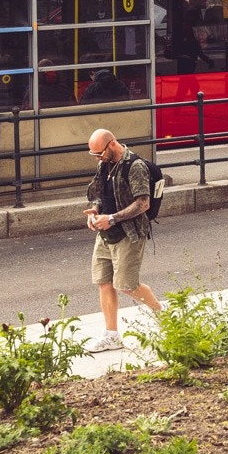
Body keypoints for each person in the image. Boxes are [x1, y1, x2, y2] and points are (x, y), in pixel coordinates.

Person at [83, 129, 163, 353]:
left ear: (112, 144)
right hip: (106, 233)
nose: (97, 158)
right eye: (93, 155)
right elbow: (100, 194)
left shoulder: (135, 166)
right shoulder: (104, 164)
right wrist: (96, 211)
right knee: (104, 281)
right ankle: (111, 335)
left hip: (129, 232)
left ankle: (161, 313)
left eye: (99, 153)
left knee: (126, 285)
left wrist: (112, 218)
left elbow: (143, 204)